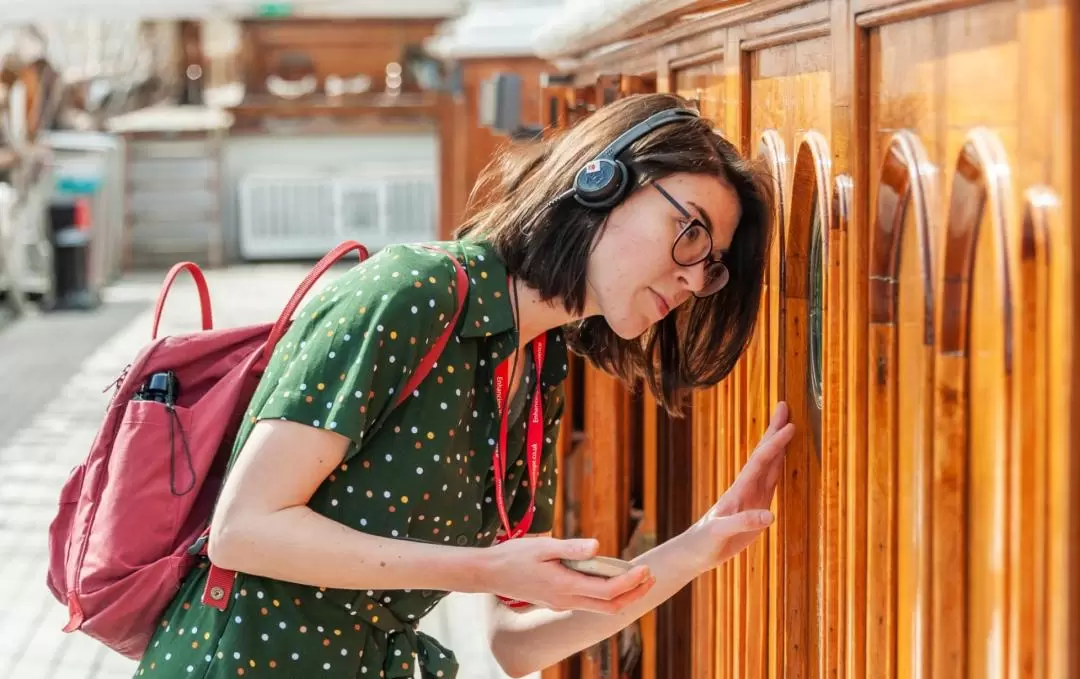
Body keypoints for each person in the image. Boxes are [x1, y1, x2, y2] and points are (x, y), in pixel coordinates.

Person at [132, 92, 793, 679]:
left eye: (711, 268)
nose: (691, 279)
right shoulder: (412, 293)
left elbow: (514, 644)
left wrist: (699, 547)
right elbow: (243, 529)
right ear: (602, 179)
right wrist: (480, 568)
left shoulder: (538, 367)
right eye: (691, 232)